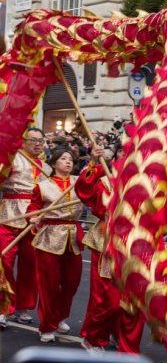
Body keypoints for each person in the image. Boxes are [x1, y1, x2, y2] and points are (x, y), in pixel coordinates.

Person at [75, 149, 144, 353]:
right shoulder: (105, 183)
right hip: (108, 245)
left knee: (132, 302)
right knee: (106, 300)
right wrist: (95, 163)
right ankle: (94, 339)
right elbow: (84, 190)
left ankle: (121, 339)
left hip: (136, 249)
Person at [28, 145, 83, 343]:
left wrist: (95, 159)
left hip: (74, 238)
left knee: (71, 283)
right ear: (54, 163)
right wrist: (33, 218)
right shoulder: (43, 186)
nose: (68, 161)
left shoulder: (79, 184)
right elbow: (33, 209)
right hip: (49, 238)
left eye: (70, 159)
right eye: (63, 158)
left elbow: (95, 184)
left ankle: (60, 316)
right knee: (49, 285)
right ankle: (47, 326)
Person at [0, 127, 44, 328]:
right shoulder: (12, 158)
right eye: (33, 140)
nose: (37, 143)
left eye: (41, 141)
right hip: (9, 215)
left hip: (33, 220)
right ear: (23, 141)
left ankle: (23, 307)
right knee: (5, 261)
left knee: (30, 265)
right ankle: (3, 307)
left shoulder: (46, 167)